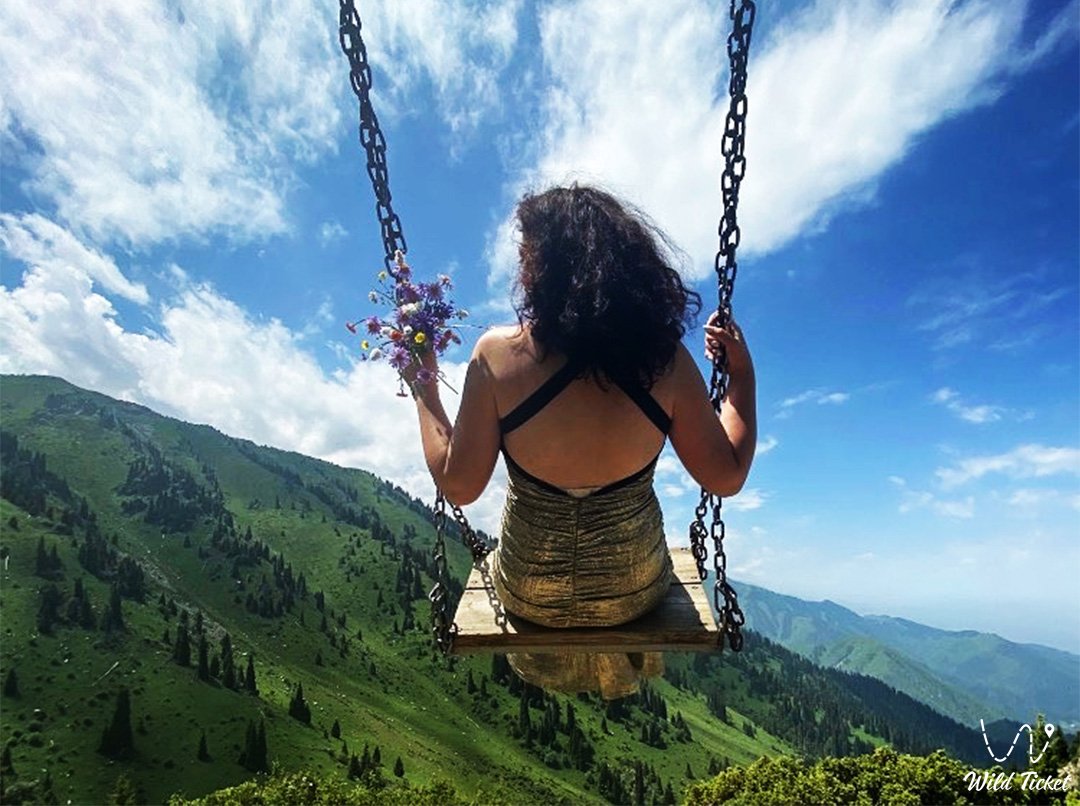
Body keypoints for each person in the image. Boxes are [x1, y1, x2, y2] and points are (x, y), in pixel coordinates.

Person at [407, 184, 756, 697]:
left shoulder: (497, 356)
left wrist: (424, 388)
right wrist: (741, 377)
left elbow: (459, 486)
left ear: (540, 269)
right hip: (633, 592)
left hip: (529, 593)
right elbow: (725, 477)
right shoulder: (665, 362)